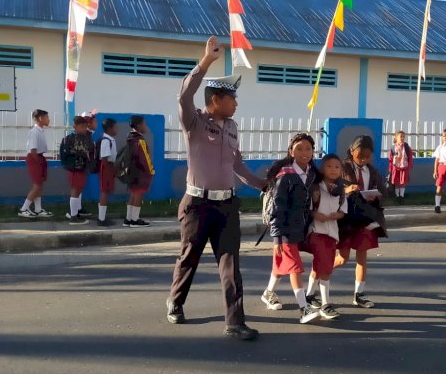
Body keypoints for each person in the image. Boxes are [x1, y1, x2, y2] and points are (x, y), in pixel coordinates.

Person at [166, 36, 266, 341]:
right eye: (231, 98)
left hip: (226, 206)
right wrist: (206, 61)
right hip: (197, 205)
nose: (236, 103)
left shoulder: (233, 128)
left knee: (230, 264)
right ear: (215, 100)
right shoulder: (194, 121)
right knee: (189, 258)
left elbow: (238, 165)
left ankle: (234, 321)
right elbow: (183, 96)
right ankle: (176, 301)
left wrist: (264, 185)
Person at [259, 133, 321, 324]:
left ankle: (268, 293)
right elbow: (278, 207)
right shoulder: (285, 175)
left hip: (300, 228)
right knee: (295, 267)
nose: (304, 152)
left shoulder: (311, 173)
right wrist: (276, 236)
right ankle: (304, 309)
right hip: (284, 229)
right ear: (291, 151)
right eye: (299, 148)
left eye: (308, 149)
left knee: (281, 265)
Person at [335, 135, 388, 309]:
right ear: (352, 151)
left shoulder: (372, 172)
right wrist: (346, 189)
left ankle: (359, 294)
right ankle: (317, 278)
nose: (364, 159)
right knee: (342, 258)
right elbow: (329, 187)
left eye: (367, 156)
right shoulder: (341, 168)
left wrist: (375, 196)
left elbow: (383, 191)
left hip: (365, 219)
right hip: (347, 219)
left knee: (362, 256)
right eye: (360, 155)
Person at [305, 153, 347, 320]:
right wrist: (316, 214)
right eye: (329, 166)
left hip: (332, 234)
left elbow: (344, 211)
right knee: (326, 269)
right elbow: (307, 208)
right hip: (317, 232)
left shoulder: (340, 189)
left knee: (319, 266)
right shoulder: (315, 188)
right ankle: (325, 304)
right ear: (322, 168)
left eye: (337, 167)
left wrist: (338, 215)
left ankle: (309, 295)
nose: (333, 170)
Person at [19, 108, 53, 218]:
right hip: (35, 159)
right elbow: (33, 150)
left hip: (40, 157)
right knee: (37, 185)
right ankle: (23, 209)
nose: (49, 119)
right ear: (40, 118)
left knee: (40, 185)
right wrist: (38, 162)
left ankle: (38, 209)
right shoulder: (34, 132)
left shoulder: (40, 130)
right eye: (47, 117)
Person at [59, 115, 94, 225]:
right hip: (76, 169)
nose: (84, 129)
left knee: (78, 190)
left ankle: (75, 213)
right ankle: (73, 217)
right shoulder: (76, 139)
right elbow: (84, 152)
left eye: (85, 126)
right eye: (82, 126)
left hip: (79, 169)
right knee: (75, 191)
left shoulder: (79, 138)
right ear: (75, 127)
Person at [123, 115, 154, 228]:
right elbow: (145, 158)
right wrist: (151, 171)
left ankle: (128, 218)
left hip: (131, 171)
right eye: (144, 124)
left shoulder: (130, 138)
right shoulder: (140, 141)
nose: (146, 126)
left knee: (133, 194)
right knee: (138, 195)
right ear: (139, 126)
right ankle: (135, 220)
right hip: (140, 173)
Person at [97, 117, 118, 227]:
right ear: (109, 129)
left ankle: (102, 216)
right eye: (115, 127)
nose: (116, 129)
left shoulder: (110, 139)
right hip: (107, 168)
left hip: (109, 167)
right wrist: (111, 170)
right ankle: (101, 218)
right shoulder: (106, 141)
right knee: (104, 192)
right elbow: (104, 158)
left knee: (106, 191)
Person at [388, 130, 414, 203]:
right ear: (396, 138)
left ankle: (402, 196)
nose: (402, 138)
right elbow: (390, 159)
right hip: (395, 168)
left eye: (403, 137)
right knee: (396, 182)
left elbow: (410, 157)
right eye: (401, 137)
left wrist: (409, 166)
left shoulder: (406, 147)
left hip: (404, 167)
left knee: (403, 182)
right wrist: (390, 168)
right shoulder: (393, 148)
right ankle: (397, 196)